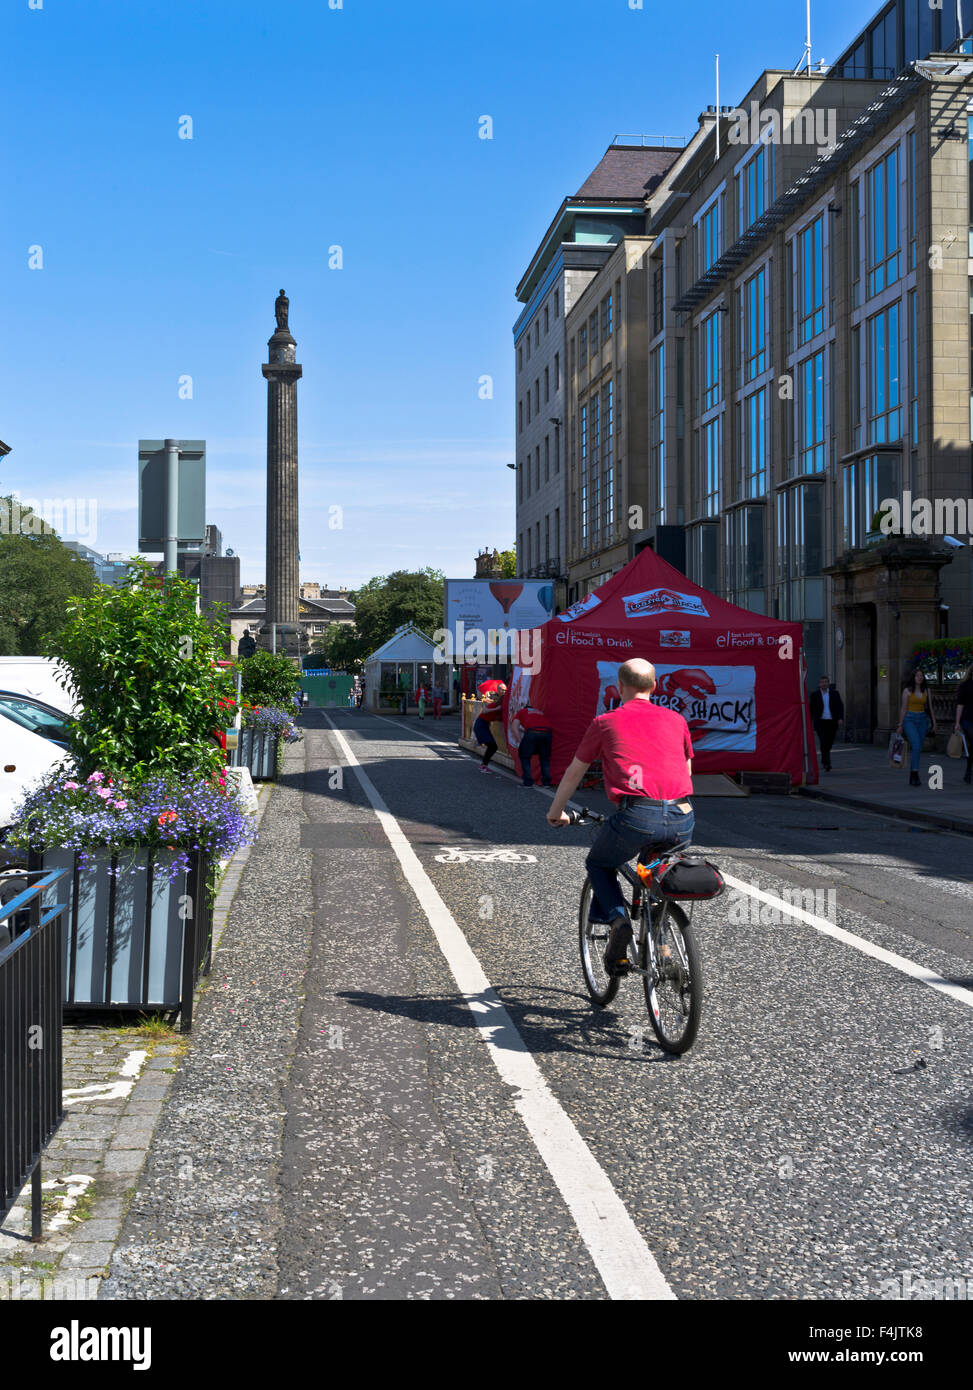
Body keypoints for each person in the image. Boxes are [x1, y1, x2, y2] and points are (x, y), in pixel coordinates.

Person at [547, 659, 693, 976]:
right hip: (683, 816)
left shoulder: (605, 722)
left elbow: (574, 773)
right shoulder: (676, 719)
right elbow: (686, 770)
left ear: (621, 685)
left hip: (638, 815)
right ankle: (664, 949)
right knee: (655, 874)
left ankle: (618, 920)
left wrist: (556, 812)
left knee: (600, 863)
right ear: (654, 686)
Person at [897, 668, 937, 787]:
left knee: (918, 748)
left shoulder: (927, 691)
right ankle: (915, 773)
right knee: (916, 745)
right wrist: (900, 724)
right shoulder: (907, 691)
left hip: (922, 720)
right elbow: (903, 708)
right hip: (910, 719)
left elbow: (930, 708)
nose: (920, 678)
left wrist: (934, 723)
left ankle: (913, 773)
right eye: (917, 676)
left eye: (921, 676)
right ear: (913, 678)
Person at [512, 703, 553, 788]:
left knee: (524, 756)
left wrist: (520, 741)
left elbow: (514, 727)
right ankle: (546, 783)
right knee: (544, 758)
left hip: (532, 732)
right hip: (547, 732)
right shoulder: (539, 712)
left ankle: (528, 782)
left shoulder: (521, 712)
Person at [809, 675, 844, 772]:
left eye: (826, 682)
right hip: (820, 722)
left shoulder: (835, 693)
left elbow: (840, 706)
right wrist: (810, 720)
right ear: (819, 684)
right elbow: (811, 709)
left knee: (829, 742)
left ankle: (825, 759)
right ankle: (827, 763)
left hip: (832, 721)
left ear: (828, 683)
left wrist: (840, 718)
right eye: (822, 682)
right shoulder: (815, 695)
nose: (824, 684)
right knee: (824, 741)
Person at [472, 682, 506, 774]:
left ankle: (483, 765)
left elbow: (501, 724)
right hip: (481, 724)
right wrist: (496, 709)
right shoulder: (495, 705)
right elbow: (484, 710)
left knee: (493, 746)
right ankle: (483, 765)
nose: (504, 691)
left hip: (484, 725)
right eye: (502, 690)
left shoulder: (501, 711)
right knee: (492, 746)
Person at [954, 663, 973, 785]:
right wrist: (957, 722)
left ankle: (968, 770)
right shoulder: (964, 686)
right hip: (968, 719)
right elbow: (960, 705)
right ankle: (968, 770)